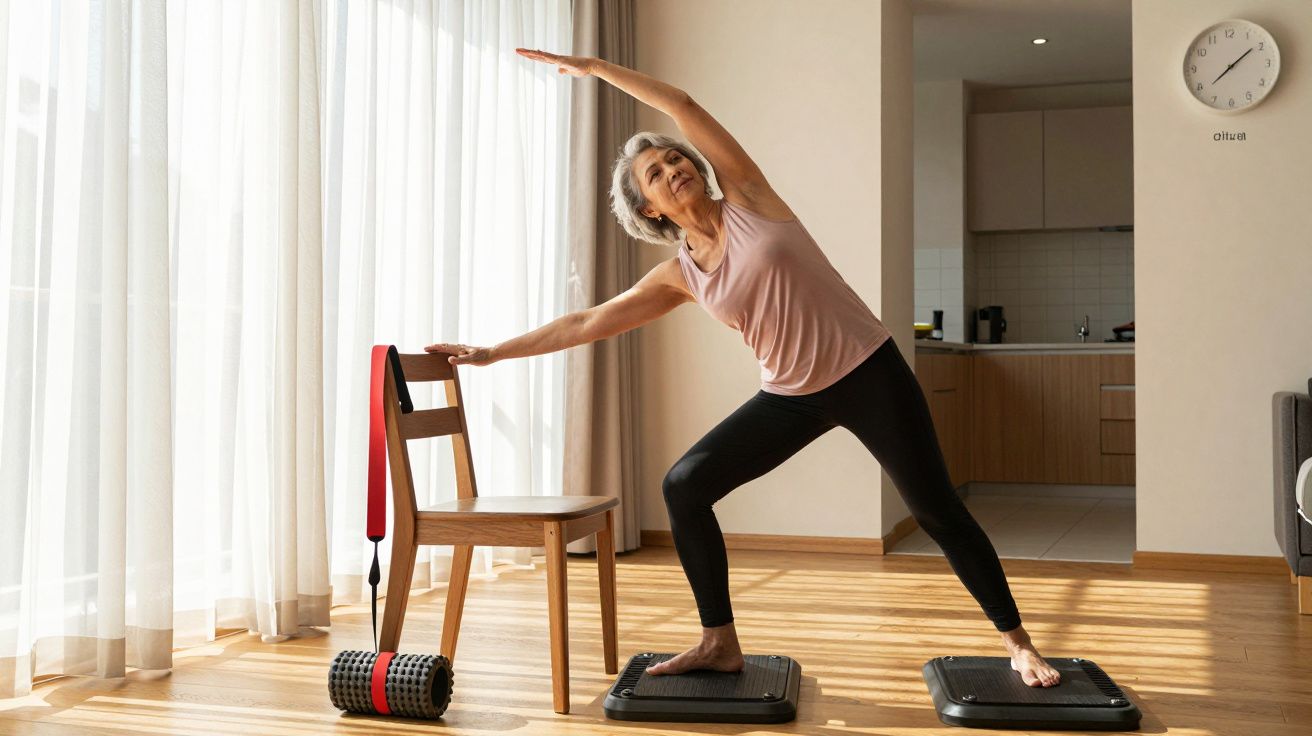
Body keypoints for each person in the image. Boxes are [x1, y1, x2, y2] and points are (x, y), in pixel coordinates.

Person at [425, 49, 1062, 689]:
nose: (673, 168)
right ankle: (718, 641)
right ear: (649, 209)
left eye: (674, 158)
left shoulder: (750, 199)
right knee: (685, 485)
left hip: (869, 370)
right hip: (790, 397)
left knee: (936, 511)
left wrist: (595, 69)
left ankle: (1018, 643)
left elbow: (682, 105)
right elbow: (586, 321)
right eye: (655, 173)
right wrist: (491, 352)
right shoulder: (679, 275)